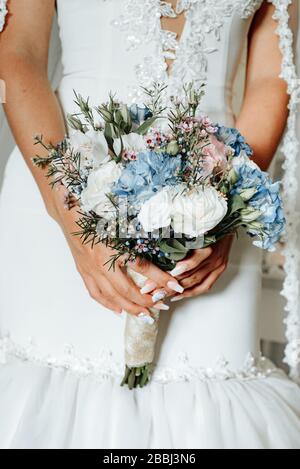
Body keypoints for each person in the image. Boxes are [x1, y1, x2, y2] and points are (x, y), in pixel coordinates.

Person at [0, 0, 299, 449]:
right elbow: (18, 53)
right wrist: (71, 219)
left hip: (215, 196)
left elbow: (269, 77)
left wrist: (231, 208)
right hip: (61, 180)